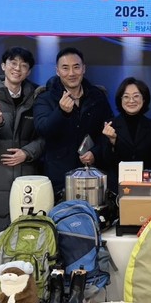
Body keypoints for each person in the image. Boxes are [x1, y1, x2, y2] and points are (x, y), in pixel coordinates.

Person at [0, 47, 45, 246]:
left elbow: (46, 137)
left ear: (28, 71)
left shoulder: (38, 98)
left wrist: (27, 153)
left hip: (27, 178)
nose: (17, 68)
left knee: (27, 244)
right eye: (13, 63)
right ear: (3, 66)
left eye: (23, 65)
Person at [32, 47, 112, 195]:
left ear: (83, 69)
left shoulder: (97, 96)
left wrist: (95, 153)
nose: (71, 73)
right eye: (65, 68)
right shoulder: (45, 98)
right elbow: (42, 129)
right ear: (57, 71)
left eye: (76, 67)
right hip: (58, 179)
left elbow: (108, 132)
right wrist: (61, 112)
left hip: (92, 178)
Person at [98, 77, 151, 192]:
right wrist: (112, 142)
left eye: (136, 96)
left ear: (143, 99)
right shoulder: (109, 125)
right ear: (120, 100)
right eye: (126, 96)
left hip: (147, 188)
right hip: (117, 189)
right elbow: (105, 162)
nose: (131, 100)